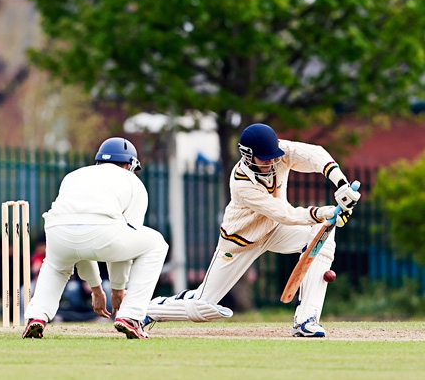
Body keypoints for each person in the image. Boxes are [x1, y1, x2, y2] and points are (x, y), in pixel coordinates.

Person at [145, 123, 361, 337]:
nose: (271, 161)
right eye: (265, 158)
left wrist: (341, 183)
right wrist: (326, 212)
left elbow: (316, 154)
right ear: (248, 155)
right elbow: (283, 213)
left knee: (322, 235)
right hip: (240, 242)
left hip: (273, 231)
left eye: (273, 155)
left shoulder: (278, 152)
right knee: (202, 306)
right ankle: (147, 310)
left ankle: (306, 320)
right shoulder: (241, 183)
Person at [21, 137, 169, 339]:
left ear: (98, 161)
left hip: (57, 230)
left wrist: (96, 289)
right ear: (130, 164)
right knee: (157, 244)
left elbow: (80, 247)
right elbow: (125, 241)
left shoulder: (74, 176)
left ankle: (36, 316)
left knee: (55, 267)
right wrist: (117, 290)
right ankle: (131, 317)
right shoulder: (133, 182)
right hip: (103, 231)